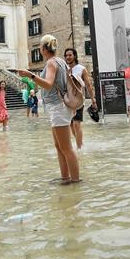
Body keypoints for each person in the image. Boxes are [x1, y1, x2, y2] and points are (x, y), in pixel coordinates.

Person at [19, 34, 80, 184]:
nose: (39, 49)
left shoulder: (52, 63)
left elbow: (48, 84)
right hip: (57, 107)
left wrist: (30, 75)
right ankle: (66, 178)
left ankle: (76, 181)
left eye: (40, 47)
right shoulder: (60, 61)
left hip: (58, 107)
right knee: (59, 146)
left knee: (66, 148)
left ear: (44, 49)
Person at [65, 48, 97, 149]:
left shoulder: (81, 69)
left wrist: (93, 99)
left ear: (74, 56)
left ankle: (79, 149)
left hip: (79, 100)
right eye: (66, 55)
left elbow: (88, 85)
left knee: (76, 123)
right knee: (70, 124)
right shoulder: (64, 69)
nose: (68, 57)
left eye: (70, 55)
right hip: (67, 101)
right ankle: (80, 143)